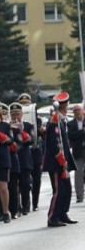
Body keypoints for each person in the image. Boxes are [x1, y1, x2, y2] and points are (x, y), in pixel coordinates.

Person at [43, 91, 77, 227]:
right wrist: (61, 160)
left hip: (64, 160)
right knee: (58, 190)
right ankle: (53, 217)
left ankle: (63, 213)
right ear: (65, 105)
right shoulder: (55, 120)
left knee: (66, 188)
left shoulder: (60, 119)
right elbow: (55, 143)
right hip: (57, 162)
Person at [19, 93, 43, 211]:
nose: (25, 106)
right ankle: (26, 203)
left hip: (35, 151)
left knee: (36, 179)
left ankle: (35, 203)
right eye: (22, 104)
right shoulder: (15, 121)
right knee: (25, 180)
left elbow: (39, 135)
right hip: (23, 152)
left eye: (26, 104)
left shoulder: (37, 119)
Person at [68, 103, 85, 202]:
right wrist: (82, 131)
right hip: (78, 151)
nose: (77, 112)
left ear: (82, 110)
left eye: (78, 110)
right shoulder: (71, 124)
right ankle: (79, 195)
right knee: (78, 172)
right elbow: (71, 136)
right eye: (75, 111)